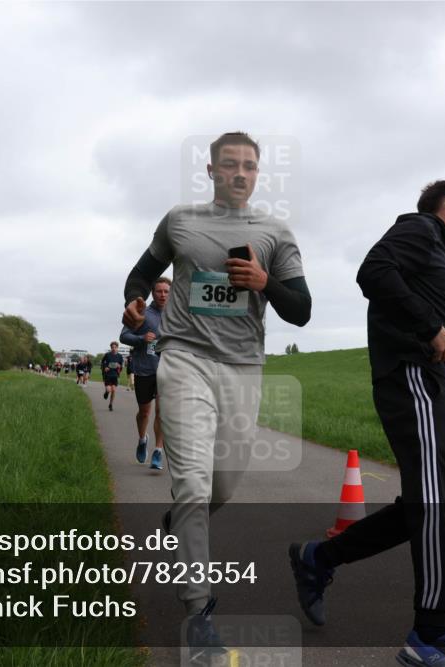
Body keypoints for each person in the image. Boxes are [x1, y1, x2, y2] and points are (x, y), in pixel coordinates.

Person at [121, 132, 311, 654]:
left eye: (250, 166)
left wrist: (264, 281)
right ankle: (199, 610)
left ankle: (179, 520)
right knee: (193, 485)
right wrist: (136, 300)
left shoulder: (275, 232)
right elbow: (141, 273)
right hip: (183, 360)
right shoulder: (180, 220)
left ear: (258, 174)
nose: (240, 173)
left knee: (220, 488)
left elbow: (301, 309)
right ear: (211, 170)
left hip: (243, 368)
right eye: (230, 165)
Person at [288, 180, 445, 667]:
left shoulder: (436, 249)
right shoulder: (419, 228)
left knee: (426, 503)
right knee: (439, 504)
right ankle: (428, 637)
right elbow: (373, 273)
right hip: (414, 380)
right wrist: (431, 329)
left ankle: (319, 559)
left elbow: (415, 302)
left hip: (431, 382)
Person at [121, 276, 171, 470]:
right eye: (159, 291)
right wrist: (142, 338)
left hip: (166, 371)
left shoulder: (176, 315)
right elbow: (124, 335)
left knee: (162, 412)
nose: (163, 295)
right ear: (153, 292)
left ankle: (158, 451)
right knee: (144, 412)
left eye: (166, 291)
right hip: (144, 369)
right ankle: (143, 439)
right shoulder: (142, 312)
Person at [101, 342, 125, 411]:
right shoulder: (107, 355)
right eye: (112, 347)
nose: (114, 349)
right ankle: (106, 392)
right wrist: (105, 367)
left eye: (115, 347)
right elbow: (103, 362)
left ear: (117, 348)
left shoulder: (120, 356)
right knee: (109, 389)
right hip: (108, 375)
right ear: (111, 348)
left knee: (114, 390)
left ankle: (111, 404)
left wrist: (119, 366)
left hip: (115, 375)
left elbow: (121, 365)